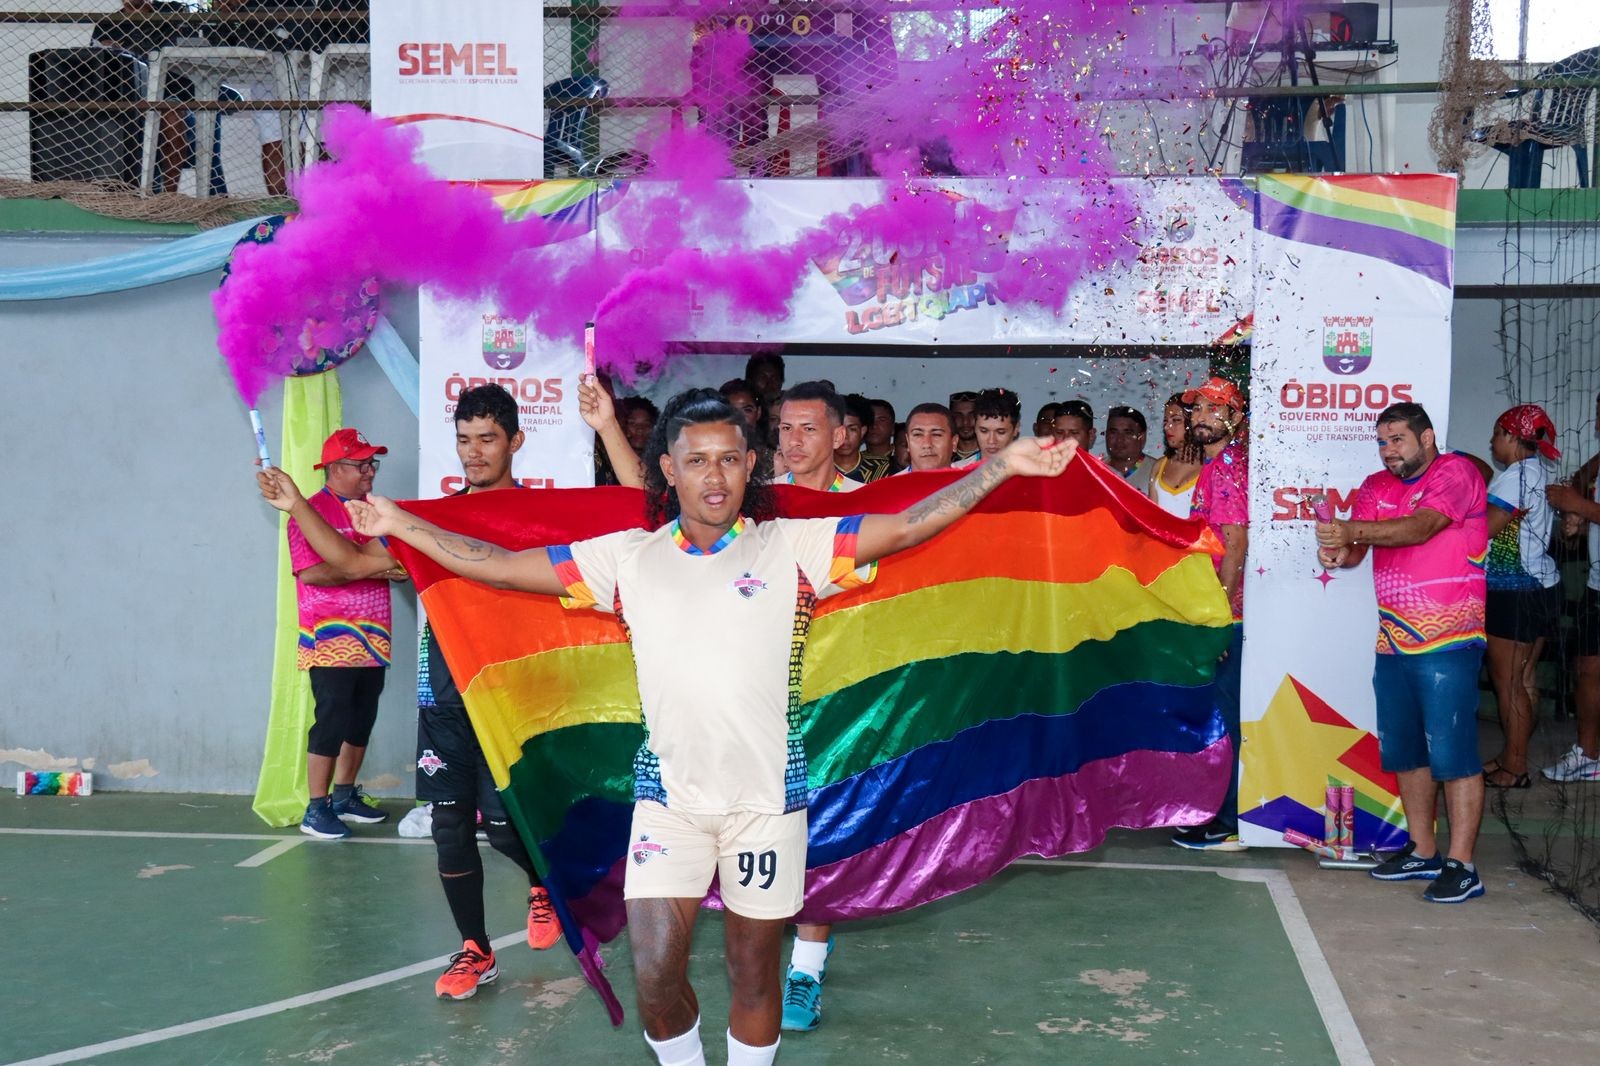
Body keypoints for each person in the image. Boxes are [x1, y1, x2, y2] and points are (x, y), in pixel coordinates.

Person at [351, 388, 1077, 1066]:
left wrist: (1001, 468)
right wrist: (400, 524)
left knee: (751, 972)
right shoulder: (629, 558)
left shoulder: (790, 547)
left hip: (765, 803)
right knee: (656, 978)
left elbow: (908, 524)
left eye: (730, 458)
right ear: (668, 469)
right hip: (669, 802)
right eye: (696, 461)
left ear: (751, 463)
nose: (715, 477)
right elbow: (504, 568)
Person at [259, 383, 641, 998]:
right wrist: (299, 504)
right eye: (464, 440)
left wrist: (608, 428)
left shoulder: (541, 515)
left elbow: (635, 510)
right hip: (445, 698)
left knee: (508, 825)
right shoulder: (428, 522)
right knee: (449, 825)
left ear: (516, 441)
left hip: (516, 699)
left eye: (487, 439)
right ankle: (475, 950)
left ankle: (544, 883)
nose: (474, 453)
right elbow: (353, 562)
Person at [1316, 402, 1489, 903]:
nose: (1389, 450)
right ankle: (1423, 850)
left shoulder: (1455, 472)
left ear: (1427, 437)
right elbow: (1351, 556)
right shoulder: (1374, 486)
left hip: (1451, 638)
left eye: (1398, 440)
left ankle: (1463, 865)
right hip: (1392, 641)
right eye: (1383, 441)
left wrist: (1352, 531)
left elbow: (1420, 528)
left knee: (1453, 755)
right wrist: (1333, 545)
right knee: (1407, 751)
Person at [284, 427, 402, 841]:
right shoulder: (310, 512)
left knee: (362, 718)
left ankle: (344, 798)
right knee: (331, 720)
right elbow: (312, 573)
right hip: (331, 638)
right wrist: (368, 566)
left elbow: (402, 568)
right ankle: (315, 810)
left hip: (374, 636)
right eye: (362, 463)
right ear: (334, 469)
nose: (371, 470)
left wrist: (362, 566)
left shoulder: (374, 509)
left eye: (373, 462)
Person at [1170, 377, 1248, 851]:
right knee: (1217, 717)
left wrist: (1218, 618)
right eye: (1196, 408)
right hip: (1218, 611)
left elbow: (1235, 544)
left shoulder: (1229, 469)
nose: (1201, 416)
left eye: (1214, 409)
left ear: (1235, 419)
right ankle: (1220, 812)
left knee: (1226, 720)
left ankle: (1230, 819)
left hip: (1230, 617)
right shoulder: (1217, 467)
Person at [1480, 405, 1564, 789]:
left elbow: (1486, 531)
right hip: (1541, 585)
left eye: (1497, 434)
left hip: (1514, 590)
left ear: (1512, 437)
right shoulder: (1537, 472)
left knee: (1509, 683)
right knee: (1525, 679)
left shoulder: (1515, 478)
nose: (1493, 442)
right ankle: (1513, 756)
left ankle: (1515, 769)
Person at [1544, 390, 1600, 781]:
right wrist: (1578, 513)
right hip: (1597, 584)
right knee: (1587, 668)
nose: (1596, 423)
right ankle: (1588, 754)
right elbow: (1582, 481)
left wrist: (1580, 507)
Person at [778, 382, 856, 493]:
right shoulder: (760, 501)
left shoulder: (865, 501)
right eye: (786, 428)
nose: (794, 441)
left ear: (838, 437)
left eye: (809, 429)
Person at [1148, 393, 1203, 518]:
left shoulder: (1209, 467)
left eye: (1176, 420)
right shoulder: (1159, 467)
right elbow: (1152, 521)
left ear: (1193, 422)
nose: (1167, 427)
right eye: (1165, 421)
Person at [958, 388, 1021, 467]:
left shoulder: (1032, 473)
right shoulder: (958, 472)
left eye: (1000, 432)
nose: (991, 441)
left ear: (1016, 429)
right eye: (984, 431)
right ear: (975, 428)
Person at [1104, 406, 1155, 492]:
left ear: (1142, 437)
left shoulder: (1157, 472)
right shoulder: (1095, 470)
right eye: (1113, 432)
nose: (1119, 439)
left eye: (1128, 433)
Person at [900, 403, 957, 473]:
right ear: (908, 442)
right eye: (918, 435)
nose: (927, 444)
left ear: (954, 442)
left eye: (936, 434)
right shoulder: (890, 484)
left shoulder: (970, 482)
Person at [833, 395, 876, 484]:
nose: (845, 436)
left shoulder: (882, 469)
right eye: (839, 429)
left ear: (863, 431)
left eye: (852, 429)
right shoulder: (816, 469)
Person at [862, 399, 896, 476]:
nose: (874, 425)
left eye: (881, 420)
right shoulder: (852, 463)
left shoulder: (903, 459)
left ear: (893, 428)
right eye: (869, 419)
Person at [948, 391, 980, 463]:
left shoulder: (990, 453)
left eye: (971, 415)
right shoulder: (944, 456)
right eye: (958, 416)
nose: (965, 422)